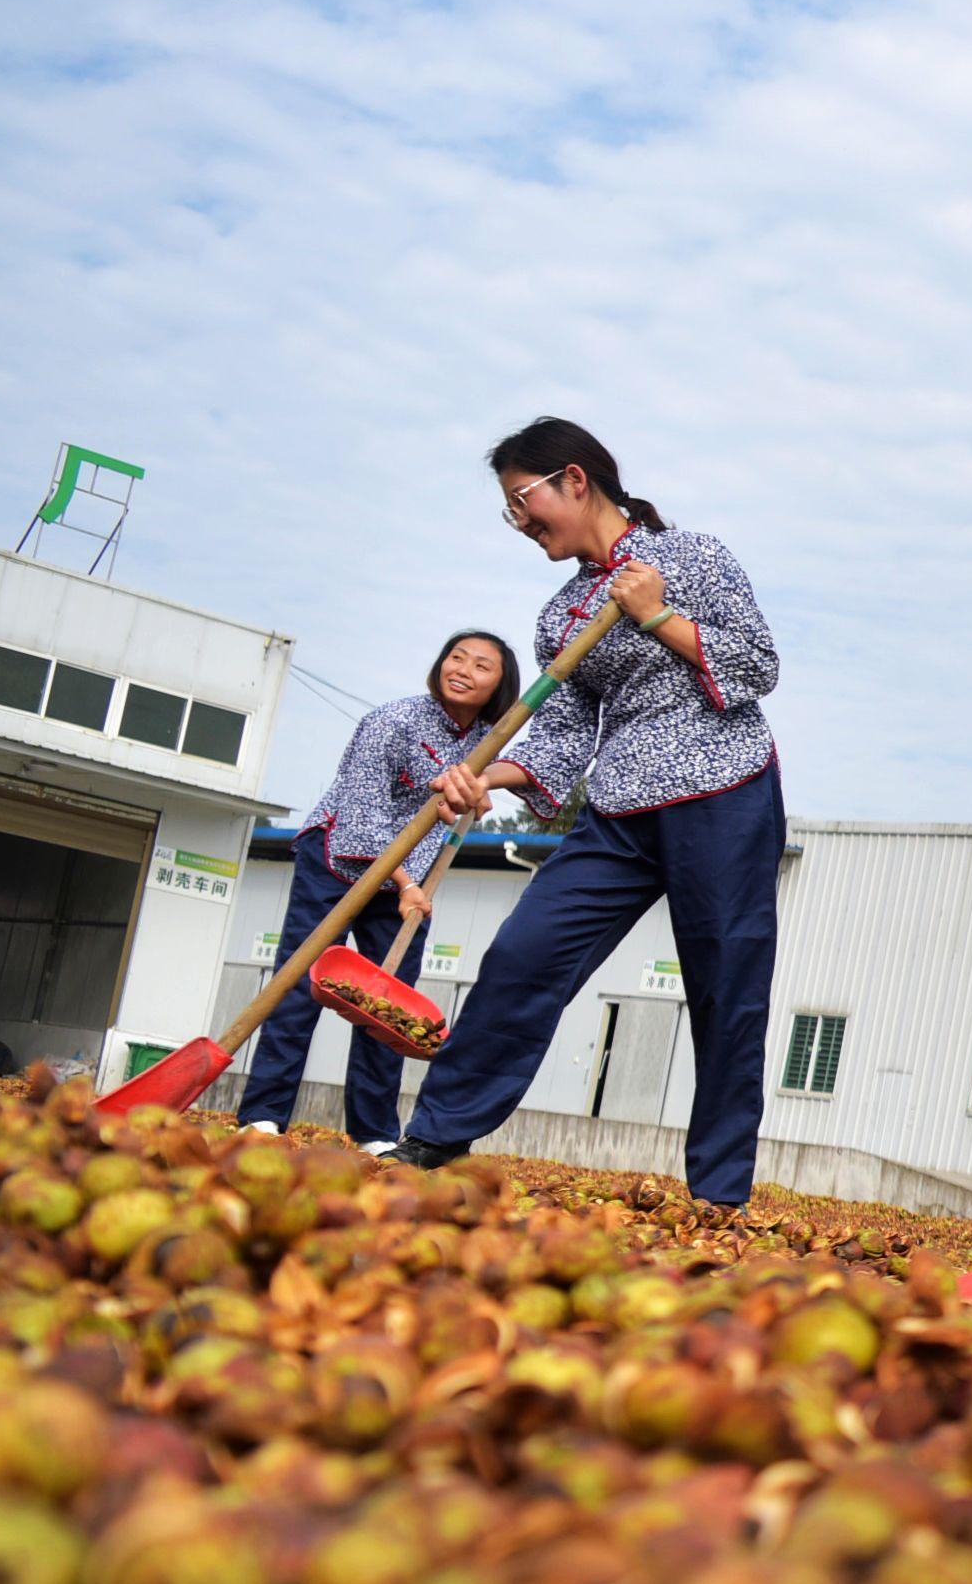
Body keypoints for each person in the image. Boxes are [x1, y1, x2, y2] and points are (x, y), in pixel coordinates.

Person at [381, 418, 786, 1208]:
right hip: (620, 808)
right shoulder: (559, 617)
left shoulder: (692, 557)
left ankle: (720, 1191)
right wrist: (482, 774)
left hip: (725, 794)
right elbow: (565, 738)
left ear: (574, 479)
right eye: (510, 511)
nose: (521, 522)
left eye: (522, 501)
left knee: (727, 988)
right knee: (525, 954)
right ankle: (436, 1133)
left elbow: (759, 662)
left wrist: (659, 615)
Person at [240, 632, 517, 1148]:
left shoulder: (484, 746)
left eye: (481, 666)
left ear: (499, 687)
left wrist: (475, 803)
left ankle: (374, 1132)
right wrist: (406, 884)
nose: (463, 669)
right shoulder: (392, 721)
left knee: (388, 1008)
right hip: (338, 860)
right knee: (300, 986)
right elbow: (362, 816)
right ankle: (263, 1116)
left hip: (408, 880)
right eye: (456, 658)